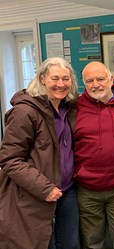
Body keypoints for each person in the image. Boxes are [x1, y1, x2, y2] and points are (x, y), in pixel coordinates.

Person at [0, 57, 80, 249]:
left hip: (67, 190)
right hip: (35, 193)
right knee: (41, 243)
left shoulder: (67, 109)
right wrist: (45, 189)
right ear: (42, 79)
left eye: (65, 79)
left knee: (70, 243)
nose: (61, 84)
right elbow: (10, 158)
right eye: (55, 78)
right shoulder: (25, 112)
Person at [74, 61, 114, 249]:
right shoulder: (75, 107)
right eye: (89, 81)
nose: (95, 84)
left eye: (100, 79)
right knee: (92, 241)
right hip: (88, 188)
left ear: (111, 79)